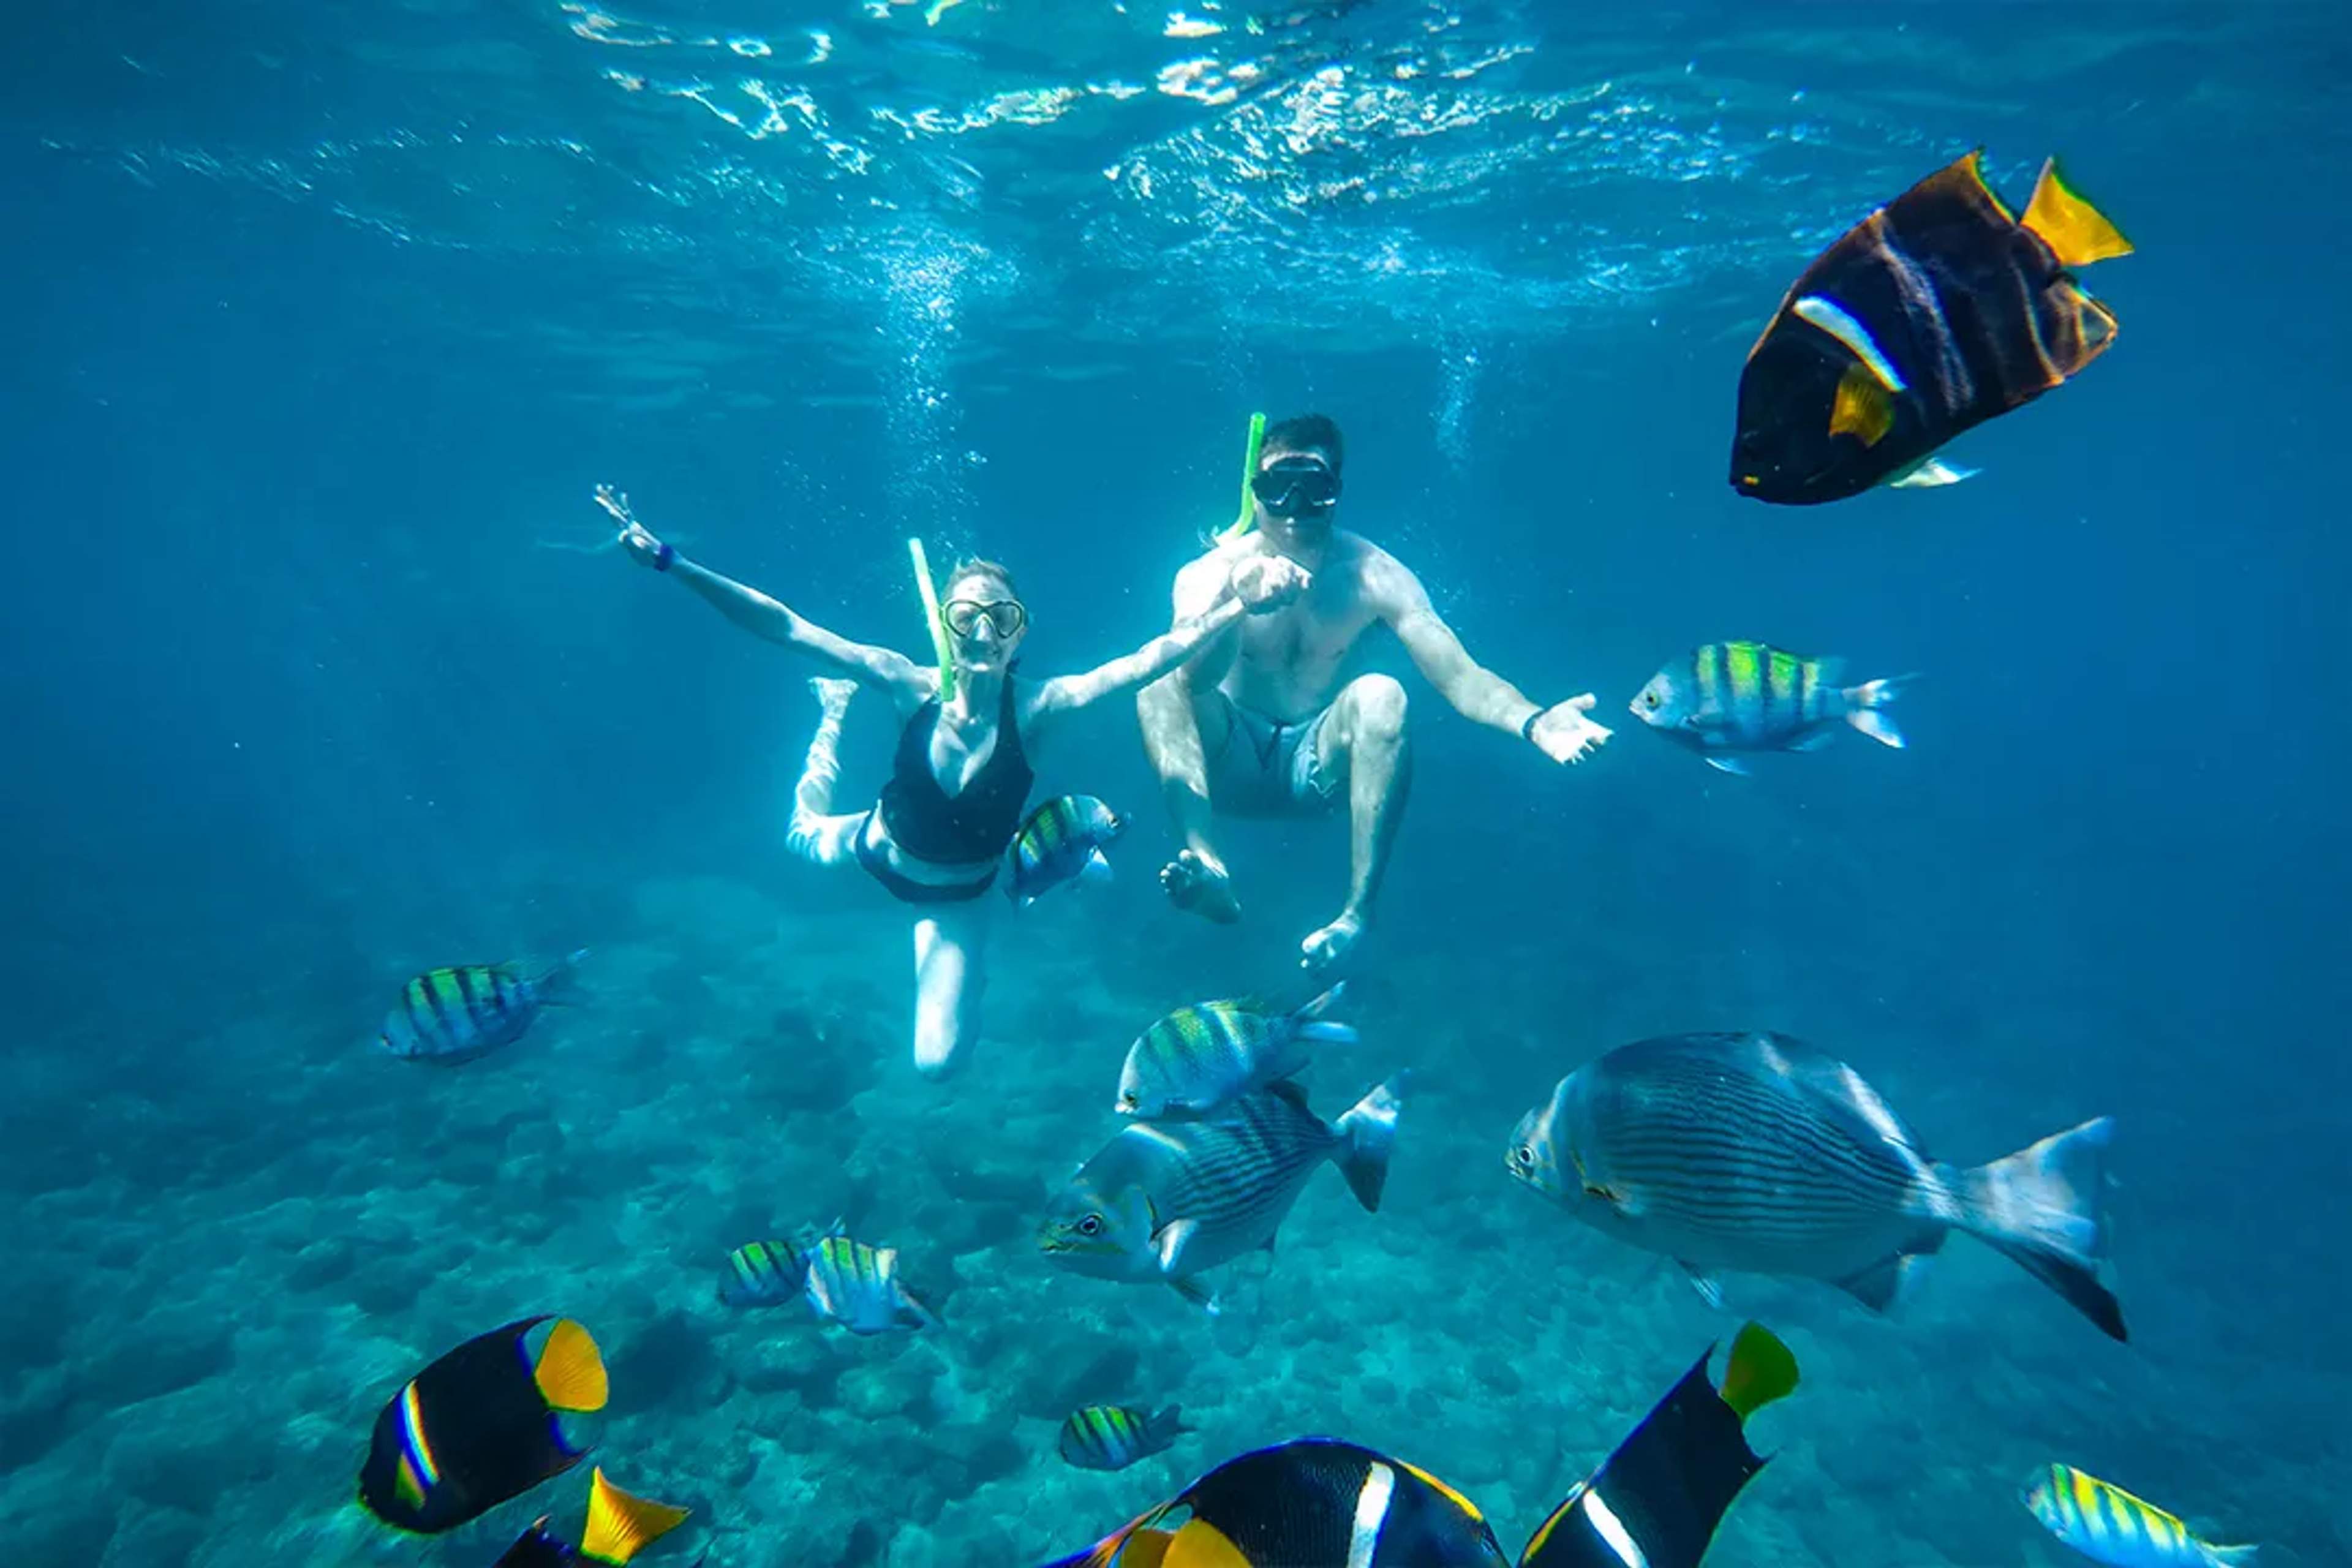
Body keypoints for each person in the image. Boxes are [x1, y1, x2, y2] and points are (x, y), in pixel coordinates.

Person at [601, 486, 1300, 1079]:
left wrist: (1238, 607)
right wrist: (671, 562)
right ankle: (831, 716)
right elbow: (784, 625)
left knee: (937, 1064)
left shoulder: (1041, 707)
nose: (983, 633)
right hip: (873, 846)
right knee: (799, 832)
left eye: (1001, 619)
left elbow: (1149, 660)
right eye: (966, 617)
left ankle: (974, 976)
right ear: (944, 626)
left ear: (1020, 634)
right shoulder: (907, 684)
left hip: (958, 899)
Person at [1136, 413, 1611, 972]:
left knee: (1384, 693)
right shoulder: (1207, 573)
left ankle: (1357, 914)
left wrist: (1534, 721)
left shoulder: (1376, 576)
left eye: (1313, 487)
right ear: (1254, 492)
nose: (1293, 507)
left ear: (1337, 491)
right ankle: (1208, 864)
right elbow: (1191, 681)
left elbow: (1461, 676)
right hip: (1226, 765)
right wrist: (1235, 604)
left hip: (1318, 772)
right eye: (1278, 487)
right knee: (1158, 676)